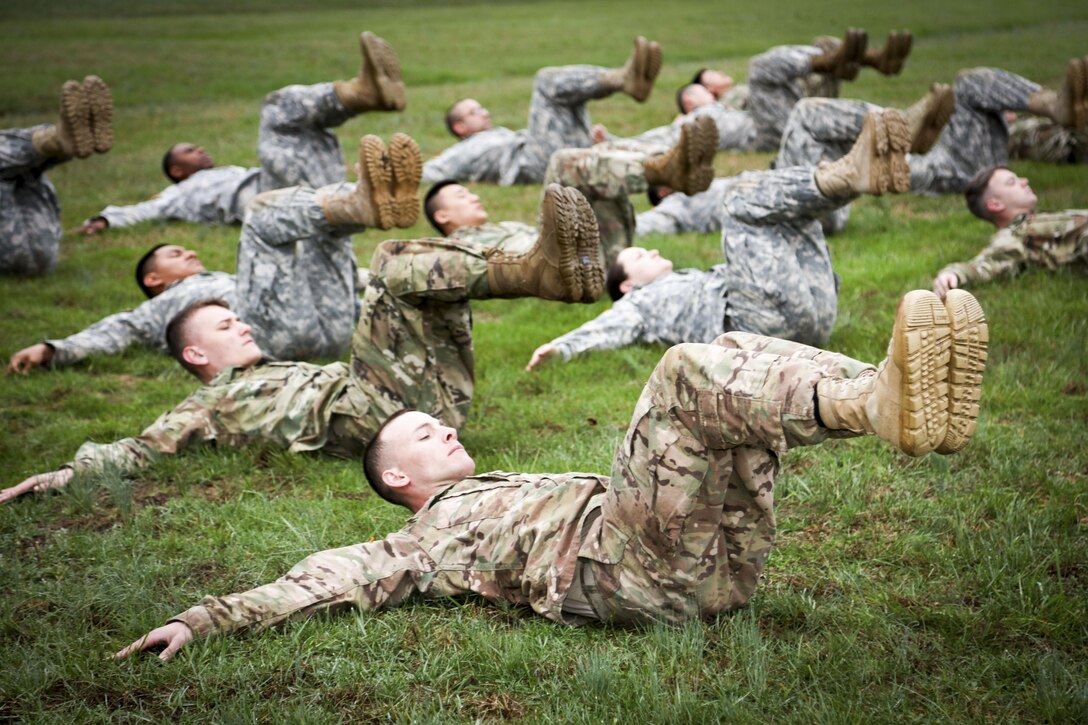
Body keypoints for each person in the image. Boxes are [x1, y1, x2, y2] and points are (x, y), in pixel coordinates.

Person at [114, 287, 989, 661]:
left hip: (721, 564)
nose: (443, 425)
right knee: (686, 371)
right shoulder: (422, 535)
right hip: (635, 573)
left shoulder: (497, 486)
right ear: (396, 480)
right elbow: (329, 578)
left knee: (733, 355)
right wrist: (203, 620)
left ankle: (885, 392)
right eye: (423, 430)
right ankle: (874, 402)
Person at [0, 184, 604, 505]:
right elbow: (135, 451)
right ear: (195, 356)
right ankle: (536, 273)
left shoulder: (281, 365)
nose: (241, 326)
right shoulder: (206, 404)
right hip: (372, 415)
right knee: (392, 260)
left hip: (427, 409)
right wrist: (59, 475)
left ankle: (538, 265)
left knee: (424, 285)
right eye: (223, 327)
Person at [526, 109, 912, 372]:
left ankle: (854, 173)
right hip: (757, 327)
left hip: (813, 313)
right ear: (627, 285)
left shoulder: (686, 278)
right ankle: (847, 175)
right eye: (641, 254)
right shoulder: (638, 304)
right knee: (738, 203)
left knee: (787, 210)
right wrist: (560, 346)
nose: (654, 249)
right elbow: (605, 328)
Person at [7, 134, 422, 373]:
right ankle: (357, 201)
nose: (187, 250)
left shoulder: (227, 281)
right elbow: (114, 331)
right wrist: (53, 349)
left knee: (321, 233)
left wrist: (388, 288)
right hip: (271, 340)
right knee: (259, 217)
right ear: (154, 281)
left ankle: (360, 203)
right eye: (173, 253)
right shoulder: (165, 307)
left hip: (331, 329)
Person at [76, 32, 405, 236]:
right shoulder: (177, 193)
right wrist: (104, 220)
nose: (200, 149)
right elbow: (144, 211)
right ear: (176, 171)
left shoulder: (223, 172)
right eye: (189, 150)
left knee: (311, 129)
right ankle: (358, 95)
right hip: (269, 199)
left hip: (289, 192)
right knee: (276, 113)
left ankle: (369, 194)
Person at [776, 57, 1088, 233]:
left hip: (936, 155)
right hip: (942, 169)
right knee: (806, 116)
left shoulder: (797, 159)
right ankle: (899, 128)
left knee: (968, 81)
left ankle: (1055, 105)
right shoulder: (798, 188)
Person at [633, 82, 951, 237]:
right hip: (796, 205)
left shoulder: (705, 189)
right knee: (806, 115)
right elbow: (641, 227)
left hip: (808, 198)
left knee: (830, 135)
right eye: (669, 167)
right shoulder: (676, 208)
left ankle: (901, 142)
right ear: (663, 191)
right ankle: (901, 125)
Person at [424, 116, 717, 268]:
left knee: (599, 157)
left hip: (599, 254)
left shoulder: (501, 229)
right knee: (563, 162)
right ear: (443, 215)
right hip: (561, 266)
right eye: (461, 196)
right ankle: (666, 170)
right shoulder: (458, 247)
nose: (474, 196)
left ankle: (675, 165)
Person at [602, 29, 912, 155]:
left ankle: (871, 59)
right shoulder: (691, 124)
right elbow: (654, 141)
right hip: (768, 133)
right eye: (700, 90)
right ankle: (835, 62)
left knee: (823, 45)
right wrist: (612, 143)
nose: (709, 94)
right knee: (760, 69)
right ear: (688, 103)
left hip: (782, 115)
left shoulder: (727, 106)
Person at [419, 37, 662, 186]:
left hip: (547, 154)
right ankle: (621, 79)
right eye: (474, 111)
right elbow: (429, 172)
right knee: (546, 82)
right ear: (459, 127)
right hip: (536, 164)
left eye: (481, 108)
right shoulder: (461, 151)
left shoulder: (497, 134)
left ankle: (662, 155)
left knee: (570, 97)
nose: (484, 112)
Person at [1, 76, 112, 276]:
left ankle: (56, 142)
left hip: (28, 252)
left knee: (21, 170)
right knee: (24, 167)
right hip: (39, 252)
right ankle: (53, 142)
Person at [932, 166, 1087, 298]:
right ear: (996, 204)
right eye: (1012, 182)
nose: (1024, 180)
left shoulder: (1034, 219)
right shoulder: (1014, 233)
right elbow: (989, 262)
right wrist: (954, 274)